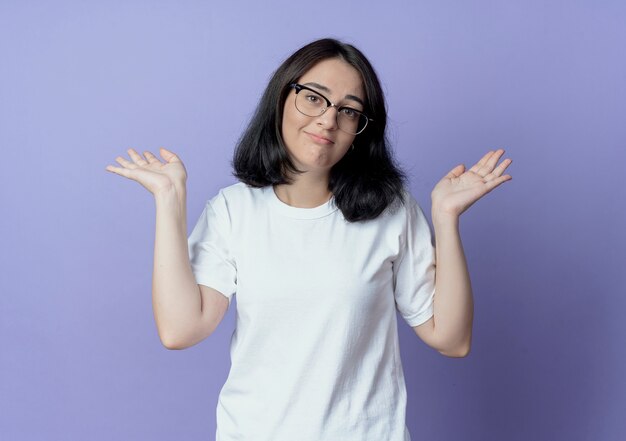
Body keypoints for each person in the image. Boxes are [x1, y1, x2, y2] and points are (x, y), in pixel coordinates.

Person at [105, 38, 512, 441]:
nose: (328, 120)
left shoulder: (390, 210)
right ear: (282, 98)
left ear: (360, 130)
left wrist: (446, 217)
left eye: (349, 111)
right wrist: (170, 202)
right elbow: (180, 329)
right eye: (314, 98)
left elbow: (451, 339)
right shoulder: (233, 211)